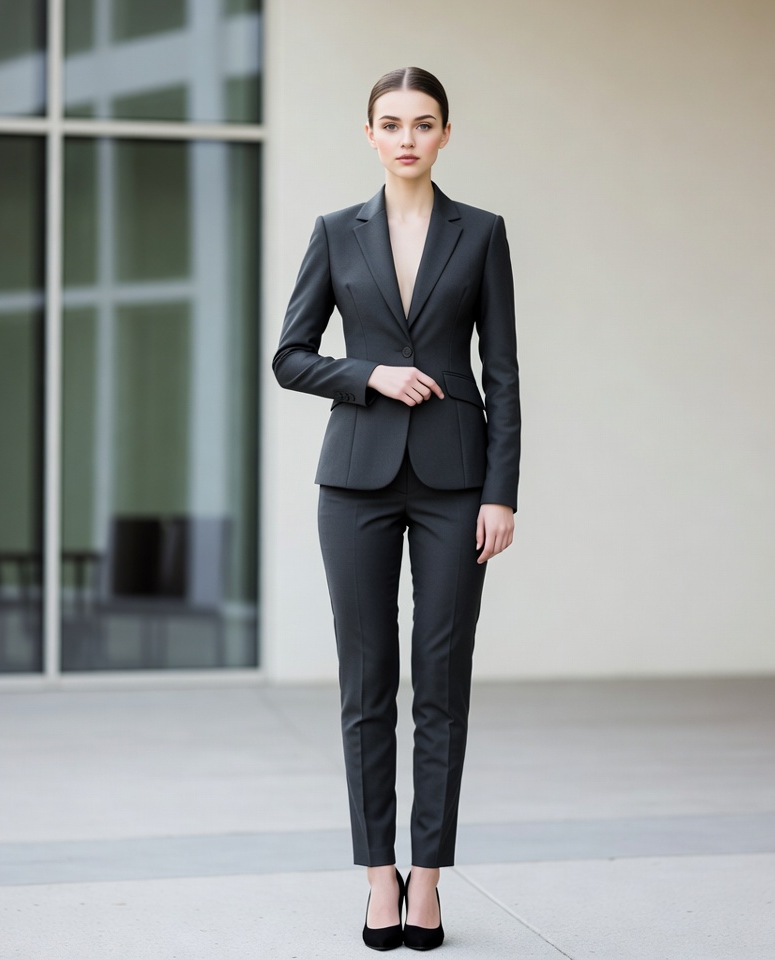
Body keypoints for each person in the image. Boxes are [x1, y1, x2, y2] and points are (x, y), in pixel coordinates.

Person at [273, 66, 520, 951]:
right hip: (355, 485)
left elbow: (504, 375)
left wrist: (502, 491)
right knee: (367, 686)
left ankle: (430, 878)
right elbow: (291, 356)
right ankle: (378, 873)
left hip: (458, 486)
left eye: (423, 123)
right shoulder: (335, 234)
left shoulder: (482, 233)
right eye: (391, 123)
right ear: (370, 135)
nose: (407, 136)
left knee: (442, 686)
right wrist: (367, 373)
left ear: (445, 134)